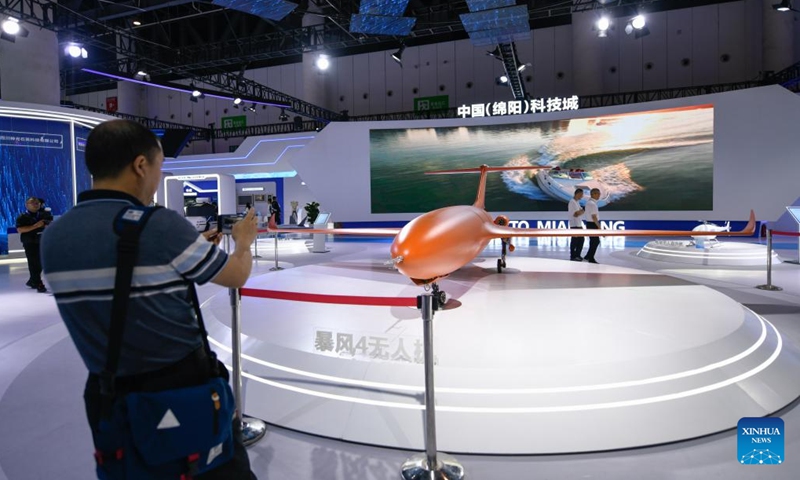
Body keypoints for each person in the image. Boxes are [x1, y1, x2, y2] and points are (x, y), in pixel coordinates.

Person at [40, 119, 259, 479]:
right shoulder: (159, 225)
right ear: (140, 165)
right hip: (182, 391)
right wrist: (244, 243)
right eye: (158, 167)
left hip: (108, 394)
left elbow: (116, 272)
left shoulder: (54, 238)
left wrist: (189, 251)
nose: (157, 178)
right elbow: (236, 275)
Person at [15, 196, 50, 292]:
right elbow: (20, 229)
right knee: (33, 263)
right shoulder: (22, 217)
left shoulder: (44, 214)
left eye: (37, 203)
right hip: (29, 242)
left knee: (42, 262)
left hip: (42, 241)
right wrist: (35, 226)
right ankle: (38, 282)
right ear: (27, 205)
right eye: (33, 203)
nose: (36, 205)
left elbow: (50, 223)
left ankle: (33, 280)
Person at [583, 188, 602, 264]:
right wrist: (599, 226)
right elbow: (594, 217)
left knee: (593, 241)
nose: (599, 195)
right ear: (593, 194)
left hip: (590, 224)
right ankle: (590, 258)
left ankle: (588, 256)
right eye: (598, 194)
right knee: (595, 241)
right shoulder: (592, 204)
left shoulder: (589, 203)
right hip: (592, 224)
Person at [567, 188, 585, 262]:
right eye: (581, 195)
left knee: (580, 240)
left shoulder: (577, 202)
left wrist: (581, 211)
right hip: (575, 224)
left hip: (578, 223)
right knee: (575, 240)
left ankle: (577, 255)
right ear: (577, 194)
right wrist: (581, 211)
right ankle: (573, 255)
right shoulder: (572, 202)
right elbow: (576, 214)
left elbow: (582, 211)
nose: (582, 196)